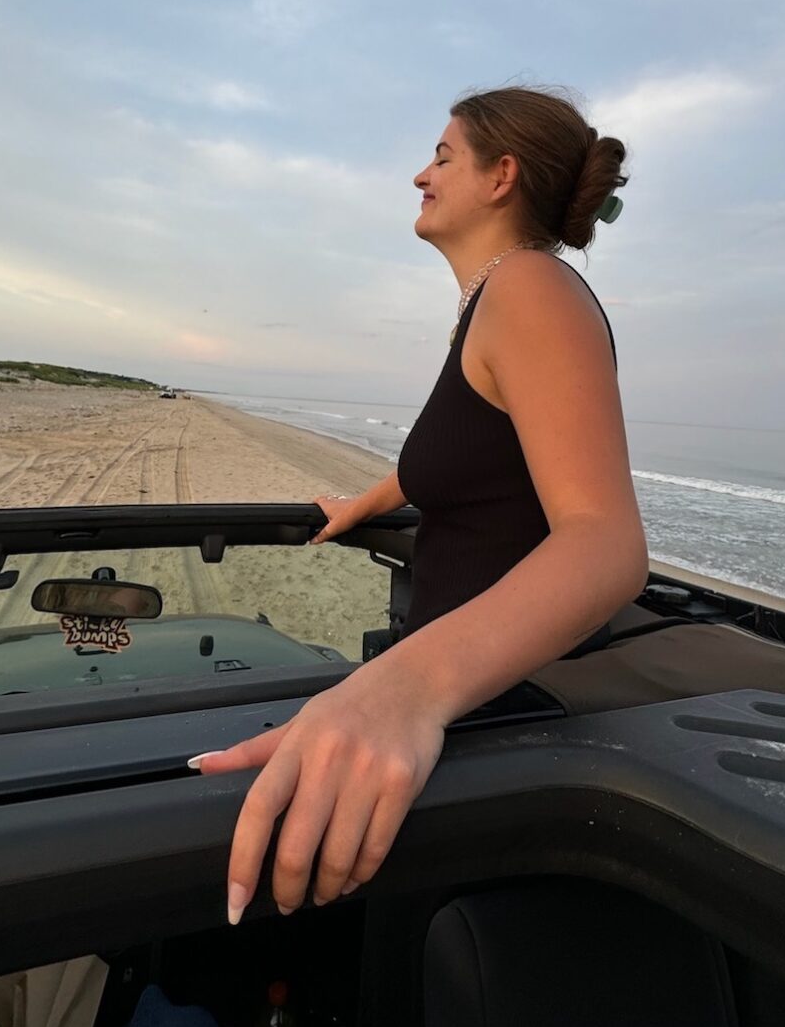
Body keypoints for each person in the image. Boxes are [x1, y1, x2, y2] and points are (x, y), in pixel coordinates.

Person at [189, 81, 649, 926]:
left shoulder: (531, 290)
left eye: (442, 156)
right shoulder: (493, 301)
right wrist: (361, 502)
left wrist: (405, 691)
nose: (419, 176)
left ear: (501, 176)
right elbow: (466, 461)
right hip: (461, 703)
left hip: (494, 718)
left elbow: (607, 542)